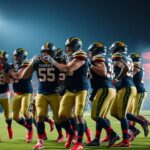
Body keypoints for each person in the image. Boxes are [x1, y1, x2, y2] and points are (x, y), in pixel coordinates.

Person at [21, 42, 74, 150]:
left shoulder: (59, 61)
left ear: (53, 53)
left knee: (60, 118)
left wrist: (63, 85)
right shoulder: (37, 61)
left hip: (55, 93)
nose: (46, 54)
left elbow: (68, 73)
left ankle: (72, 133)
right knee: (39, 116)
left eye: (48, 52)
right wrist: (31, 63)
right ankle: (40, 141)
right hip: (41, 93)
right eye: (44, 52)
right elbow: (24, 75)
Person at [47, 37, 90, 150]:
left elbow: (68, 68)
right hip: (70, 90)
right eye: (67, 46)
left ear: (76, 46)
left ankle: (79, 143)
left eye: (70, 46)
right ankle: (71, 134)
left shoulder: (81, 55)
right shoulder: (68, 56)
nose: (67, 48)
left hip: (81, 90)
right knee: (61, 116)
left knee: (78, 115)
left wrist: (52, 60)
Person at [86, 42, 119, 148]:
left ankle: (113, 134)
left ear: (95, 50)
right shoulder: (107, 58)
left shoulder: (98, 58)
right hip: (109, 89)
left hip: (104, 89)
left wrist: (90, 65)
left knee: (95, 115)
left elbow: (103, 72)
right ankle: (96, 139)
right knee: (101, 116)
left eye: (91, 51)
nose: (90, 53)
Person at [110, 41, 137, 147]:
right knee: (114, 112)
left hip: (126, 88)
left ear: (116, 49)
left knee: (122, 115)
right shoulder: (129, 58)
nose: (112, 51)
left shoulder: (118, 56)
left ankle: (126, 141)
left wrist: (117, 79)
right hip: (125, 87)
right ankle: (136, 126)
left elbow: (125, 68)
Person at [10, 48, 33, 143]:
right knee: (15, 117)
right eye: (15, 55)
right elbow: (9, 80)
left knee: (24, 112)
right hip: (17, 93)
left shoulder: (26, 64)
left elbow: (18, 76)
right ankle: (28, 127)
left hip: (26, 92)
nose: (16, 57)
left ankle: (30, 130)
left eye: (18, 55)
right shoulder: (13, 65)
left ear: (23, 56)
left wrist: (9, 70)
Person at [127, 52, 149, 140]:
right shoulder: (138, 65)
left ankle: (132, 133)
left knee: (134, 114)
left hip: (139, 92)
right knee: (132, 114)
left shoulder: (136, 66)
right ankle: (132, 132)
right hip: (137, 92)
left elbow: (130, 76)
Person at [0, 50, 13, 141]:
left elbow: (9, 81)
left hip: (5, 94)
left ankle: (9, 126)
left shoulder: (8, 67)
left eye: (1, 59)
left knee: (7, 116)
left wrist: (2, 70)